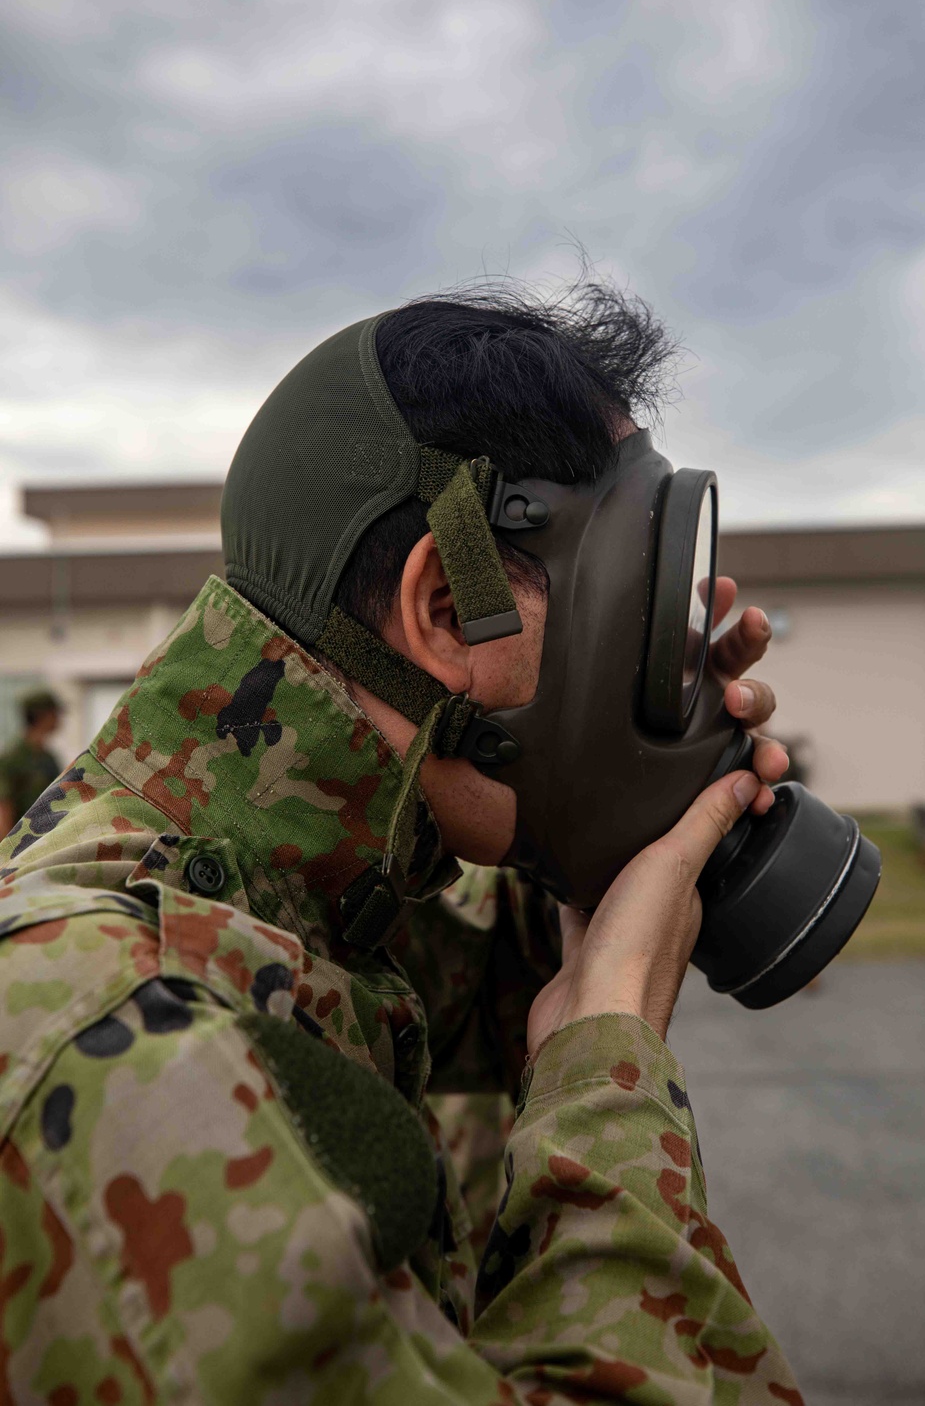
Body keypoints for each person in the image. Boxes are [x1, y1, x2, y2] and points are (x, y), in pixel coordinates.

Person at [0, 283, 801, 1404]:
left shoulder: (287, 887)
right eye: (622, 609)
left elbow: (458, 975)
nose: (646, 654)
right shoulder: (117, 1035)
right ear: (441, 612)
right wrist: (608, 1066)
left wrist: (623, 828)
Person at [0, 687, 63, 838]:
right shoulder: (13, 758)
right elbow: (4, 808)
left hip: (44, 840)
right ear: (43, 716)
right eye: (55, 713)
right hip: (19, 843)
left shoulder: (48, 758)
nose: (59, 719)